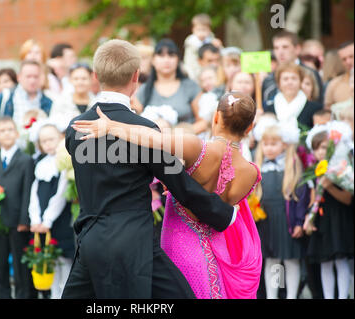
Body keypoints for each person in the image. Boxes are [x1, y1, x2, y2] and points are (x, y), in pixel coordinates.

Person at [61, 39, 237, 299]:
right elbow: (180, 186)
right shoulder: (143, 130)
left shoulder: (76, 128)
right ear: (135, 77)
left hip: (92, 240)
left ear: (95, 76)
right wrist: (224, 214)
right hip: (136, 243)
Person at [73, 90, 263, 299]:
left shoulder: (197, 147)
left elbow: (153, 139)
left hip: (180, 245)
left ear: (216, 117)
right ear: (250, 127)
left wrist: (111, 126)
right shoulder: (252, 173)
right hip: (221, 255)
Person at [252, 118, 306, 299]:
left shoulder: (291, 166)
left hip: (286, 219)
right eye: (265, 144)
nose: (269, 148)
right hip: (266, 220)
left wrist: (299, 221)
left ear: (284, 144)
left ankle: (291, 295)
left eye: (274, 144)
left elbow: (301, 197)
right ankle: (273, 295)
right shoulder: (259, 167)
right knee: (272, 260)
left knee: (290, 260)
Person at [0, 116, 35, 299]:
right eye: (2, 130)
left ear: (17, 134)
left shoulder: (26, 160)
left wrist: (24, 220)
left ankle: (24, 295)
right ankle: (3, 294)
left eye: (10, 129)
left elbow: (28, 190)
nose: (6, 133)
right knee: (0, 262)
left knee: (21, 264)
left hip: (17, 220)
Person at [304, 124, 354, 299]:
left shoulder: (341, 169)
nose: (320, 152)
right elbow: (313, 198)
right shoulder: (314, 170)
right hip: (322, 220)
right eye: (316, 148)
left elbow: (348, 198)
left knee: (340, 260)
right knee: (324, 261)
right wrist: (309, 218)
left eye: (324, 147)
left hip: (338, 218)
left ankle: (342, 295)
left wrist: (329, 186)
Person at [28, 122, 75, 299]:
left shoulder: (63, 162)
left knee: (64, 259)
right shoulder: (39, 162)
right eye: (44, 141)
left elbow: (60, 195)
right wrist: (35, 218)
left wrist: (47, 219)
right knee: (50, 261)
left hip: (59, 219)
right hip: (41, 222)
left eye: (51, 139)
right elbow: (34, 192)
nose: (48, 144)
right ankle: (53, 295)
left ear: (60, 139)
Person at [0, 60, 53, 152]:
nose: (32, 80)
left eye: (36, 76)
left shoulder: (48, 102)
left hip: (39, 154)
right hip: (11, 154)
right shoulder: (4, 98)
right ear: (19, 77)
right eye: (28, 76)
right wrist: (2, 146)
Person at [134, 39, 202, 128]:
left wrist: (177, 136)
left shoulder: (191, 87)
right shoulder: (144, 89)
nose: (166, 60)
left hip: (185, 139)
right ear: (153, 60)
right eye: (161, 55)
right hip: (153, 140)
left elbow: (202, 122)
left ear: (178, 59)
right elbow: (135, 121)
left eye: (171, 55)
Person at [262, 31, 323, 106]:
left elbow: (319, 103)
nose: (280, 52)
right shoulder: (268, 78)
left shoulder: (311, 73)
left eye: (285, 47)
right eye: (276, 48)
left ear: (297, 49)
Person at [263, 63, 322, 131]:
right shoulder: (269, 109)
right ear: (279, 83)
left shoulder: (315, 108)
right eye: (285, 79)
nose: (290, 82)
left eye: (294, 78)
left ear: (300, 82)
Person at [49, 63, 94, 132]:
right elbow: (53, 125)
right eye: (76, 79)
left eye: (84, 79)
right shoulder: (61, 102)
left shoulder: (97, 102)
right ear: (70, 79)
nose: (80, 82)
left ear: (91, 79)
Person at [183, 14, 223, 82]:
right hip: (195, 71)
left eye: (204, 30)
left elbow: (221, 55)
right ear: (193, 30)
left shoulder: (212, 40)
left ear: (209, 30)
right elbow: (189, 63)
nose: (201, 33)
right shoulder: (191, 43)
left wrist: (219, 46)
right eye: (198, 30)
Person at [324, 42, 354, 110]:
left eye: (351, 56)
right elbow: (328, 112)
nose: (348, 62)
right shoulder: (334, 84)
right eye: (344, 59)